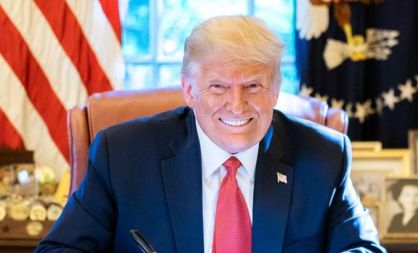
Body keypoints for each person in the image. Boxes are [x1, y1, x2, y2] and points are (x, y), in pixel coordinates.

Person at [36, 15, 385, 252]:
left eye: (253, 85)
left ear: (275, 89)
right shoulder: (123, 154)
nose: (237, 105)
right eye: (218, 86)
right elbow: (60, 249)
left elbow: (363, 248)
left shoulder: (322, 157)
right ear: (189, 91)